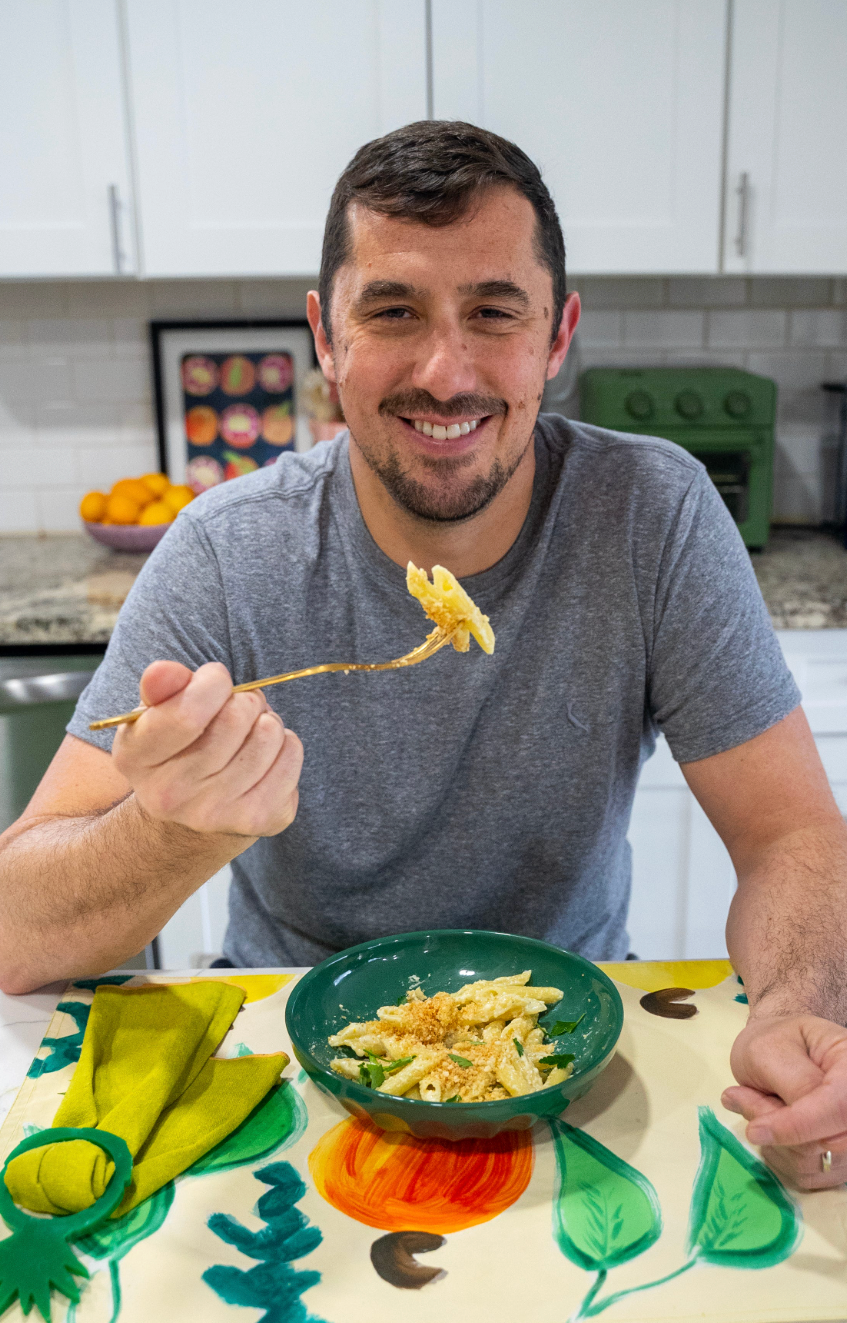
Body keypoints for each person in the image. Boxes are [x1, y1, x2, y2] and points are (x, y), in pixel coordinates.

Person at [1, 121, 846, 1192]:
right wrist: (169, 830)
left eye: (494, 313)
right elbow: (15, 936)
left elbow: (794, 840)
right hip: (289, 1074)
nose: (445, 374)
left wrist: (797, 1012)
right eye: (392, 312)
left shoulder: (650, 515)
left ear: (557, 337)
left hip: (564, 1059)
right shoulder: (226, 551)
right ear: (325, 336)